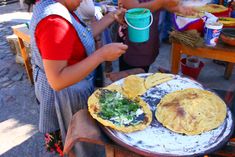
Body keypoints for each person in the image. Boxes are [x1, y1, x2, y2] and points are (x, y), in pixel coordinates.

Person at [29, 0, 127, 156]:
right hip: (67, 95)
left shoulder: (57, 6)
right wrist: (101, 55)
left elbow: (81, 35)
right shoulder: (54, 22)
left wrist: (111, 16)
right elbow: (58, 80)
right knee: (81, 147)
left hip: (73, 88)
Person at [118, 0, 197, 72]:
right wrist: (161, 2)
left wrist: (177, 8)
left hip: (149, 37)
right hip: (134, 37)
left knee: (143, 68)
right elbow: (134, 8)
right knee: (131, 74)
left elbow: (162, 5)